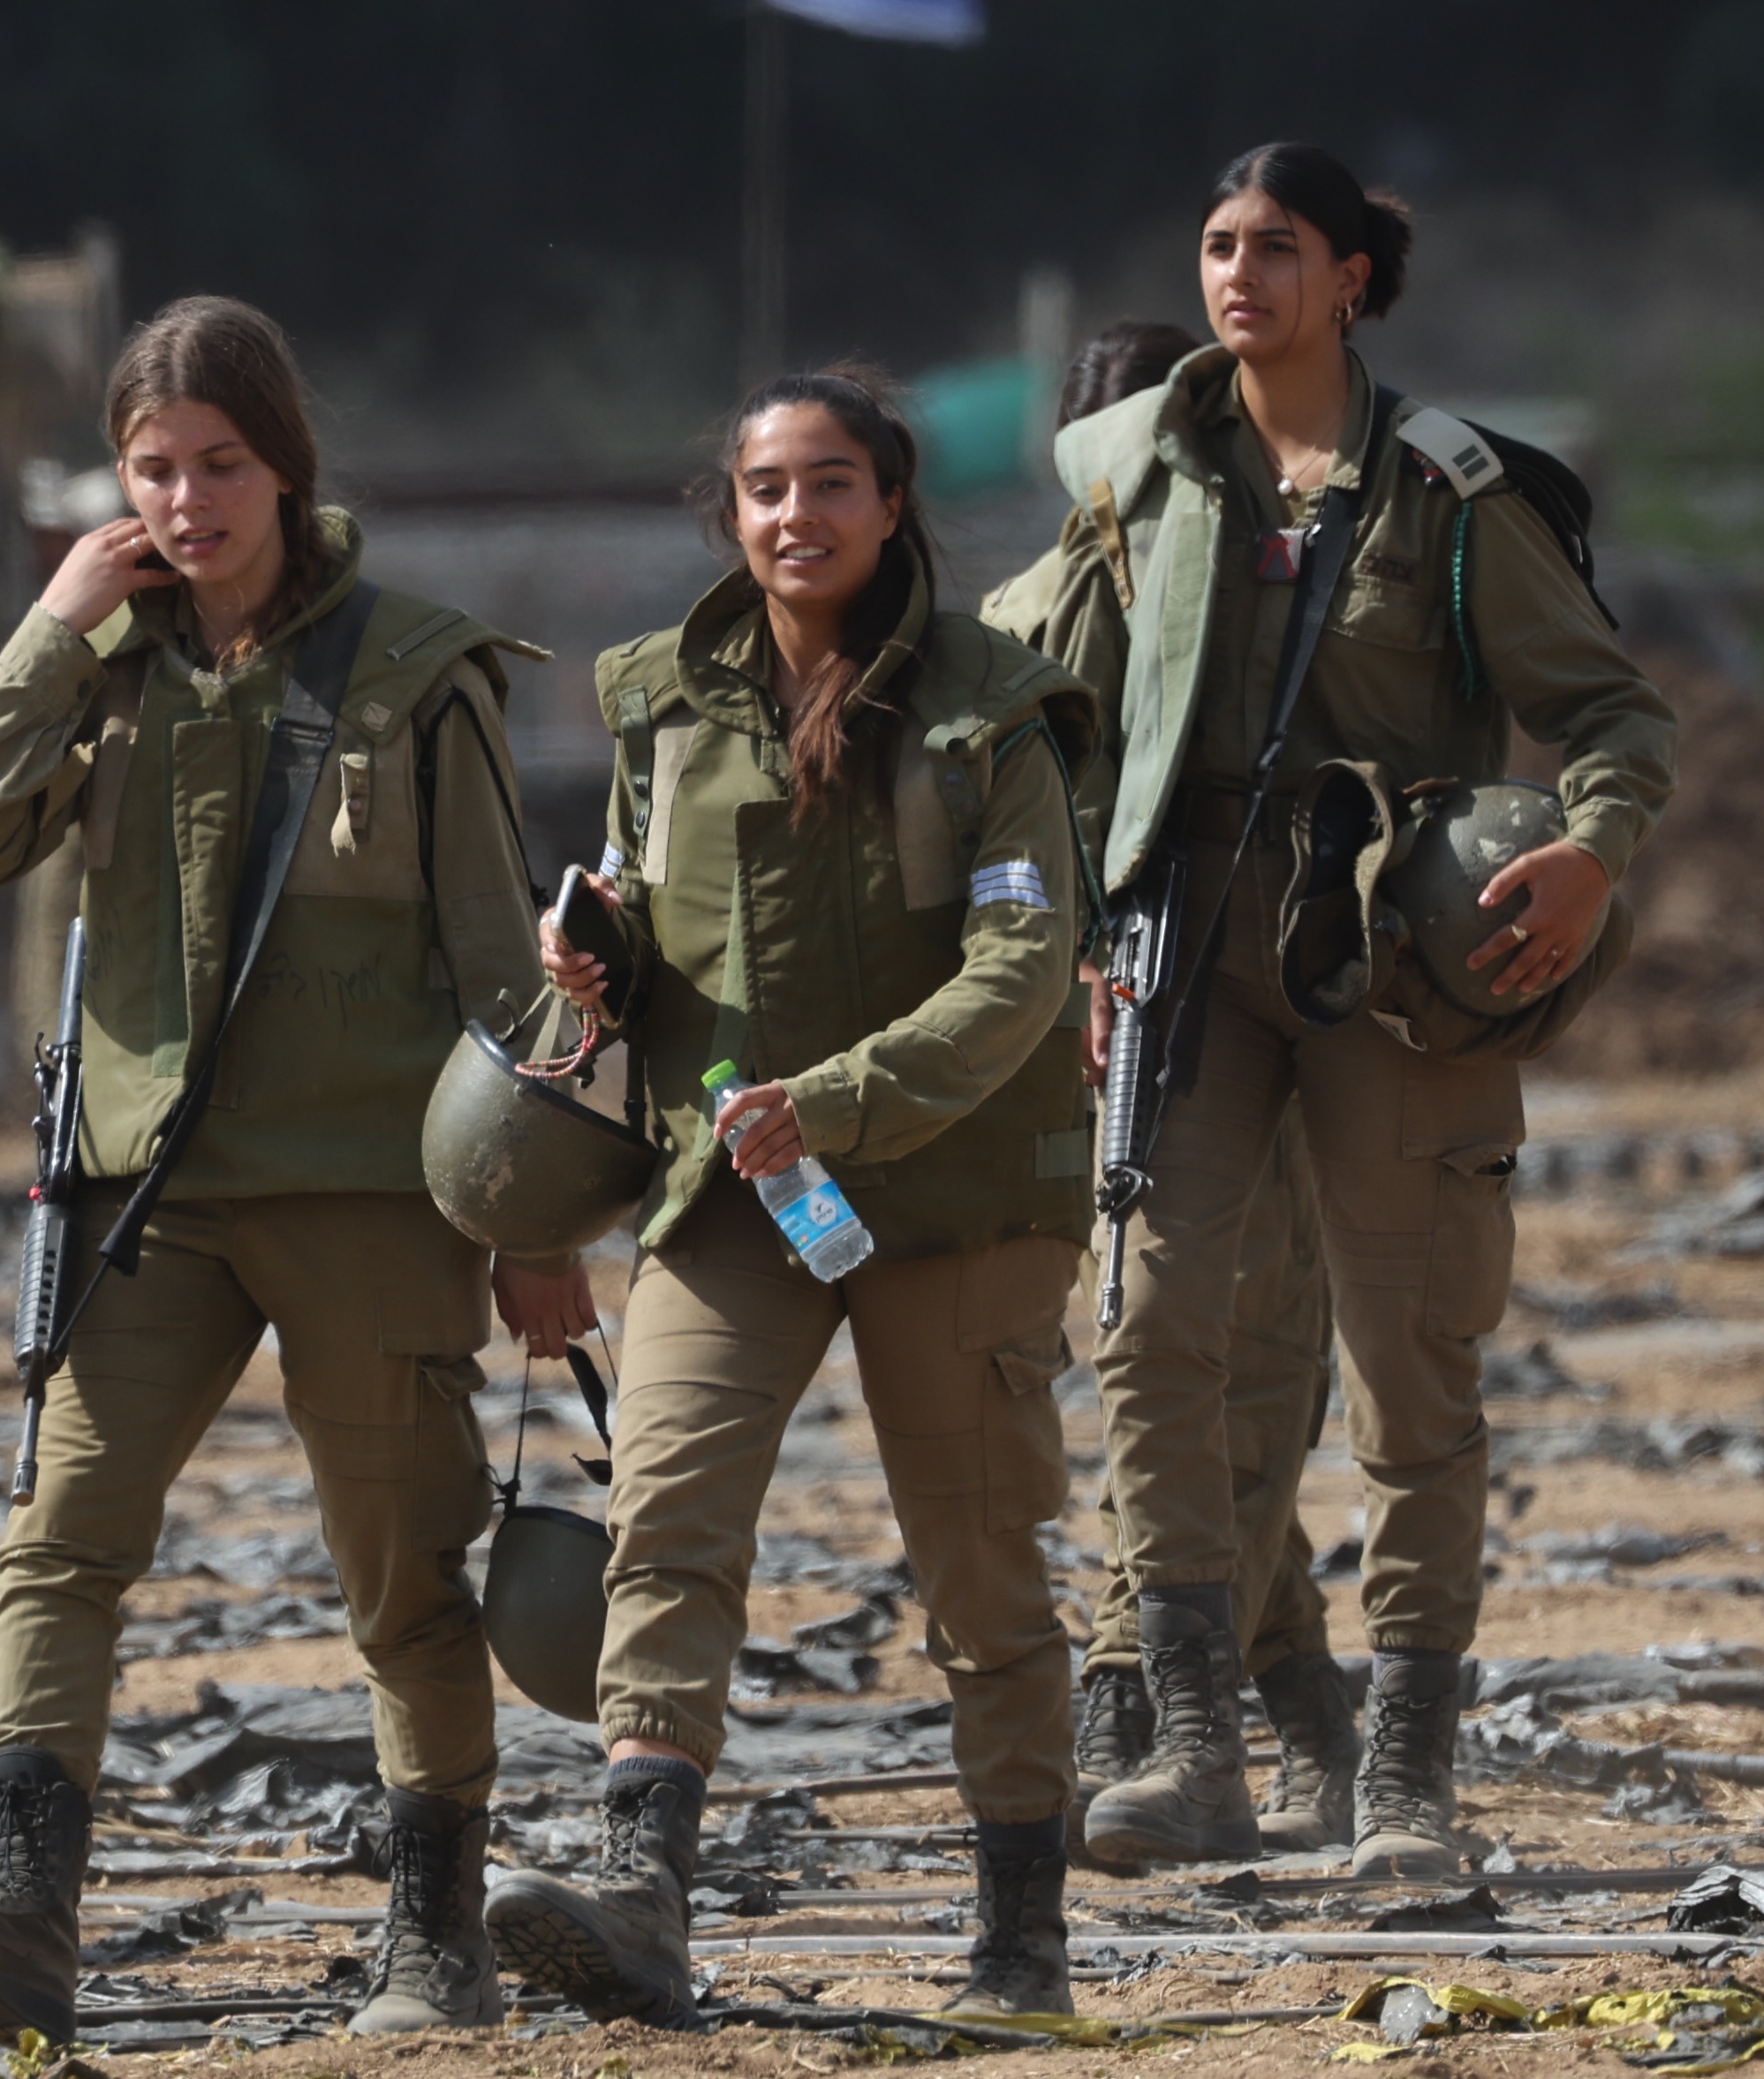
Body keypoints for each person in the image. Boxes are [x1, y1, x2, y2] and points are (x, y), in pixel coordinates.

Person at [0, 295, 563, 2043]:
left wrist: (534, 1222)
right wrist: (47, 626)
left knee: (401, 1570)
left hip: (367, 1190)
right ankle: (20, 1922)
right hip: (142, 1195)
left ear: (286, 466)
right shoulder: (100, 668)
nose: (185, 501)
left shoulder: (414, 673)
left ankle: (437, 1940)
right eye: (151, 468)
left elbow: (500, 965)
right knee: (57, 1543)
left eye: (219, 463)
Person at [1035, 147, 1675, 1875]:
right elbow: (1062, 727)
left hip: (1389, 964)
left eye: (1277, 247)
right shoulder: (1135, 479)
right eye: (1215, 243)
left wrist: (1589, 855)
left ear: (1351, 283)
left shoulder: (1447, 493)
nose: (1236, 273)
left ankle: (1403, 1780)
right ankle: (1191, 1747)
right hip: (1188, 953)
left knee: (1408, 1369)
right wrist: (1076, 935)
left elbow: (1612, 714)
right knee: (1145, 1325)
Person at [484, 369, 1097, 2023]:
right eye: (765, 486)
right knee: (666, 1519)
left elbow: (1021, 967)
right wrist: (595, 958)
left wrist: (828, 1099)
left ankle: (1020, 1945)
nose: (795, 514)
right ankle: (640, 1894)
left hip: (955, 1193)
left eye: (831, 482)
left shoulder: (992, 712)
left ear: (890, 505)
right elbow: (646, 925)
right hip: (728, 1186)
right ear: (731, 510)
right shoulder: (663, 704)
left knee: (977, 1568)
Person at [985, 320, 1353, 1848]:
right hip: (1145, 1032)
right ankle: (1186, 1703)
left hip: (1190, 1032)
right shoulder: (1062, 615)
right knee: (1200, 1371)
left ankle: (1209, 1710)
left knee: (1208, 1367)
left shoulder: (1275, 596)